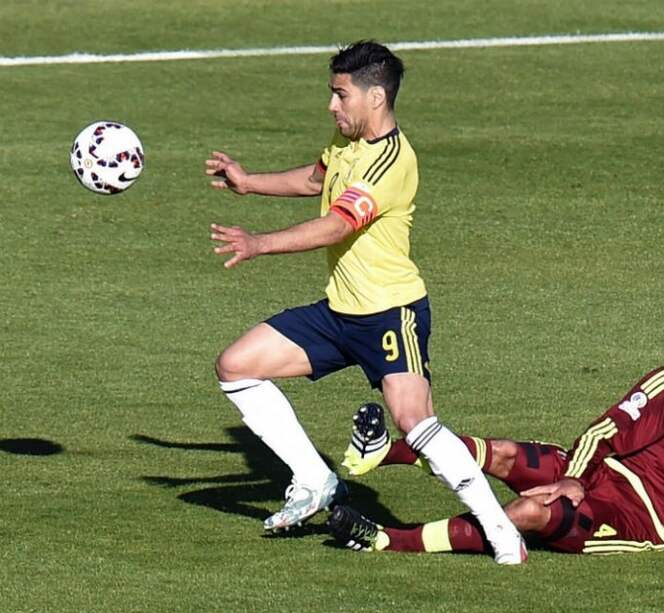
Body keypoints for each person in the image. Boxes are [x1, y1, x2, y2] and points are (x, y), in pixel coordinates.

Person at [206, 40, 525, 564]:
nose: (332, 106)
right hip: (339, 312)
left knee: (415, 424)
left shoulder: (393, 163)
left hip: (390, 314)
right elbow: (317, 179)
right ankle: (314, 478)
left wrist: (259, 242)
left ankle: (501, 531)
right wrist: (249, 183)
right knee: (236, 366)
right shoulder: (348, 140)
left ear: (375, 97)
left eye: (340, 95)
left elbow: (337, 224)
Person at [328, 299, 664, 556]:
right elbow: (606, 432)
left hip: (639, 522)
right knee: (499, 453)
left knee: (526, 513)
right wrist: (574, 477)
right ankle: (380, 454)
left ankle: (386, 540)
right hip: (601, 474)